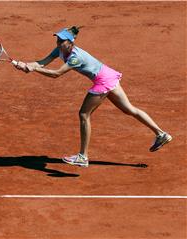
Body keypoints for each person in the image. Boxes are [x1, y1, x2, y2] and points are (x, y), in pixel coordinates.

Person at [14, 26, 172, 168]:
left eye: (62, 41)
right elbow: (42, 62)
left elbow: (57, 74)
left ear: (71, 42)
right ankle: (161, 134)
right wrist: (25, 65)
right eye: (58, 39)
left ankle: (82, 157)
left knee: (84, 114)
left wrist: (33, 70)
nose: (58, 43)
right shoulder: (59, 50)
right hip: (108, 75)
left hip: (103, 81)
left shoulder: (76, 57)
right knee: (129, 109)